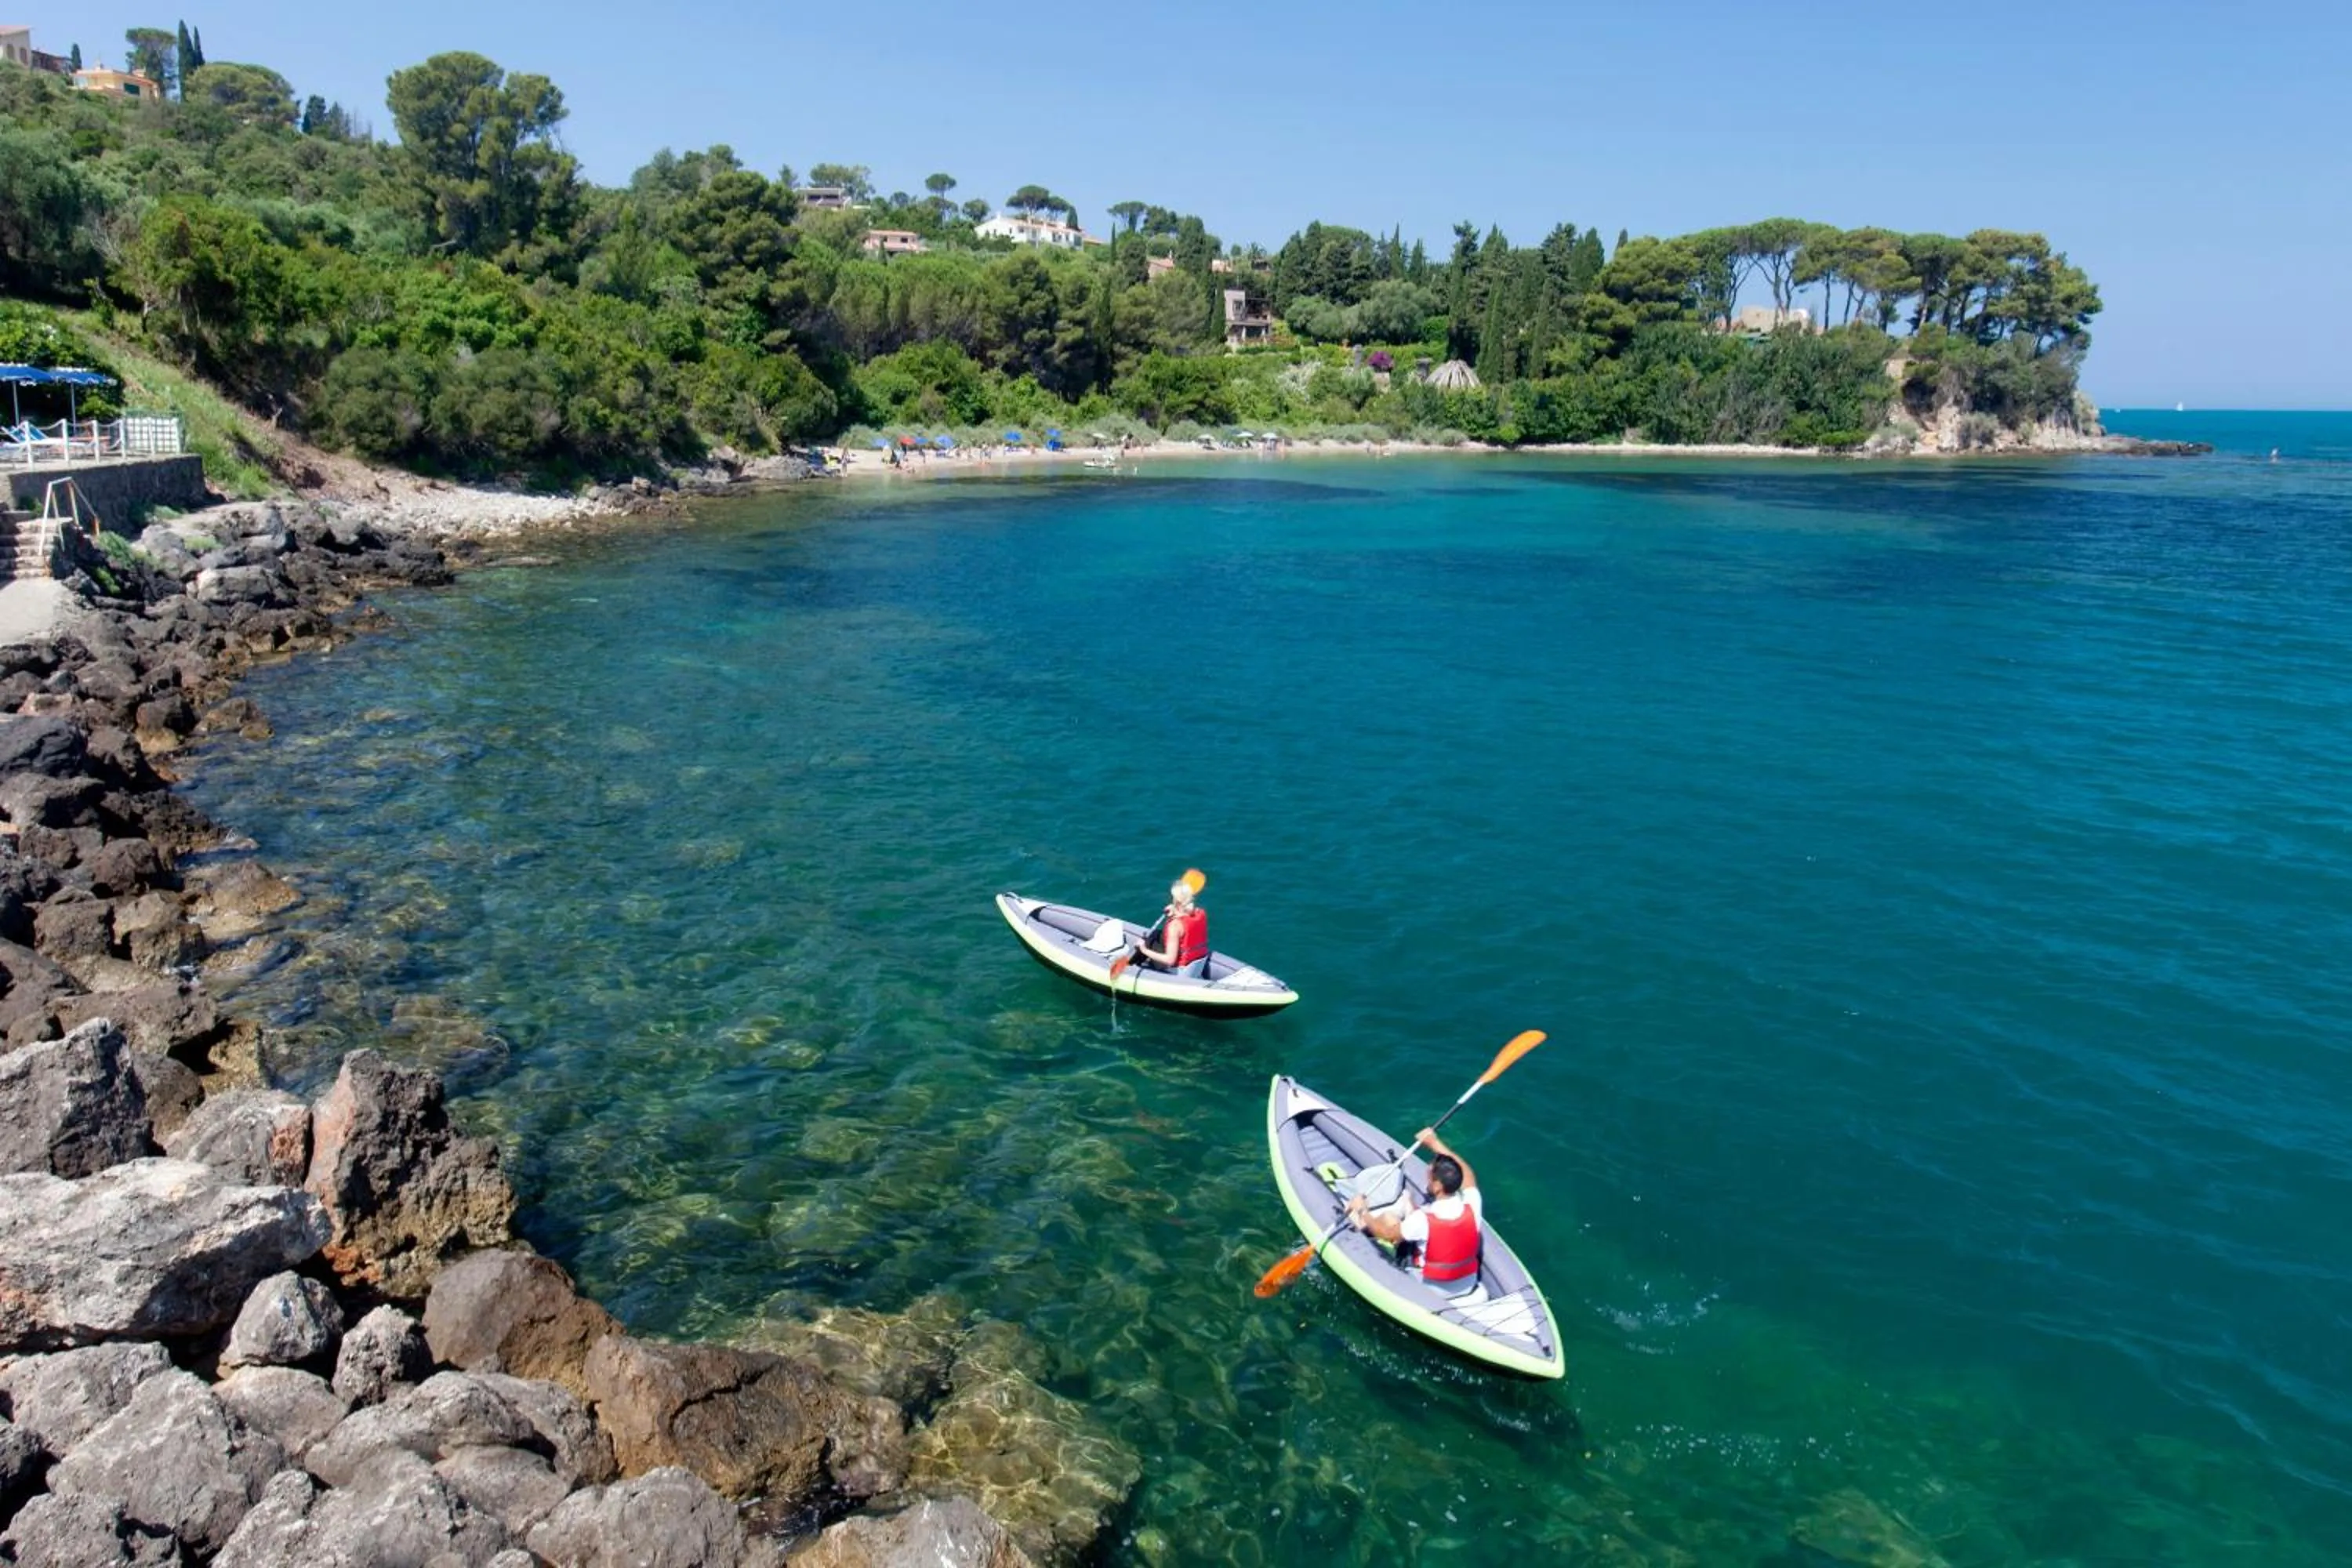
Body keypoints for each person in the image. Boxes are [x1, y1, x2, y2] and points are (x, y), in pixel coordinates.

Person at [1346, 1130, 1482, 1296]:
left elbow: (1387, 1234)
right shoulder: (1473, 1205)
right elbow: (1468, 1175)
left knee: (1388, 1220)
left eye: (1430, 1178)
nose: (1427, 1181)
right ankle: (1406, 1204)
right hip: (1468, 1283)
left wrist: (1363, 1210)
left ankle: (1360, 1223)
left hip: (1432, 1289)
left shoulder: (1422, 1220)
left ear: (1438, 1186)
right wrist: (1434, 1143)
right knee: (1408, 1209)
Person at [1129, 877, 1209, 977]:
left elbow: (1170, 960)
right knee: (1157, 934)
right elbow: (1186, 916)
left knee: (1149, 942)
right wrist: (1175, 910)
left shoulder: (1174, 926)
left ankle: (1129, 967)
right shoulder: (1200, 912)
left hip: (1179, 971)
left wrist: (1144, 950)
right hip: (1197, 964)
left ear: (1177, 901)